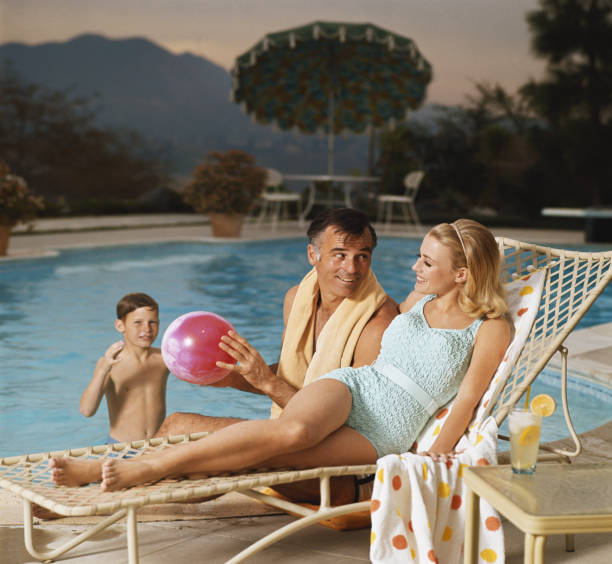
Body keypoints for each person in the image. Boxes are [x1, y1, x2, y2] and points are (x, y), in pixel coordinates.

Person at [49, 219, 511, 493]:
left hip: (389, 429)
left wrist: (431, 463)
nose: (415, 267)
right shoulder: (416, 302)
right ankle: (138, 469)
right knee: (289, 430)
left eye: (428, 262)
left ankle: (117, 470)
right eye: (419, 256)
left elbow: (468, 400)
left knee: (274, 456)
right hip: (354, 387)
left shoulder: (489, 328)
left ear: (463, 274)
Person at [80, 292, 169, 443]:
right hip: (120, 448)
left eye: (152, 322)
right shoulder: (110, 364)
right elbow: (87, 410)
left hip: (156, 446)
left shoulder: (164, 359)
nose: (147, 329)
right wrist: (103, 370)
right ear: (120, 325)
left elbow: (199, 377)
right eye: (138, 322)